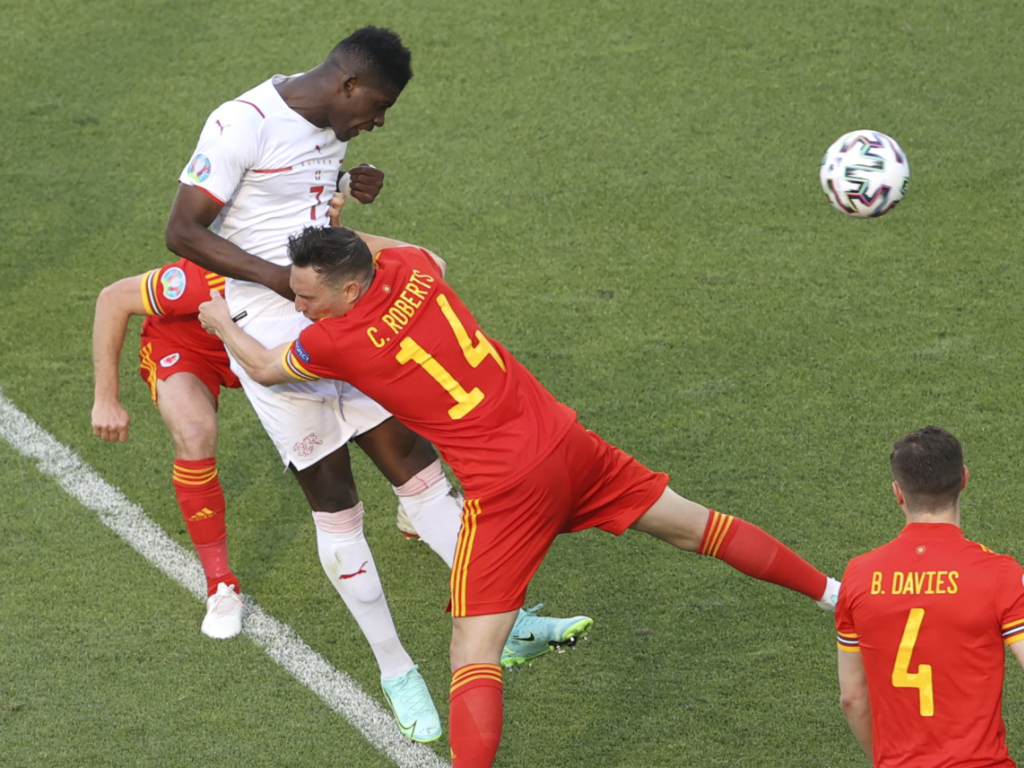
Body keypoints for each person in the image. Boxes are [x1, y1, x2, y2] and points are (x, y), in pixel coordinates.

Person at [196, 225, 842, 767]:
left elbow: (261, 368)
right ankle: (835, 596)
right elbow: (418, 255)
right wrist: (343, 227)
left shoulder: (337, 341)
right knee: (698, 527)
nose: (299, 304)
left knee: (472, 650)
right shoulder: (412, 267)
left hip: (507, 488)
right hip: (568, 444)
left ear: (349, 287)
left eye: (307, 294)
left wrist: (223, 322)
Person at [164, 27, 589, 741]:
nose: (379, 122)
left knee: (417, 469)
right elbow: (182, 229)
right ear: (349, 85)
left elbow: (299, 216)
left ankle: (509, 625)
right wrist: (282, 285)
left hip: (341, 314)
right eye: (379, 106)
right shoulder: (242, 121)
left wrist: (350, 190)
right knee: (336, 503)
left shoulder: (328, 128)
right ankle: (397, 672)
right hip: (270, 332)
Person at [835, 426, 1024, 767]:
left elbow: (852, 698)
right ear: (964, 478)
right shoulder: (1000, 574)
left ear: (898, 492)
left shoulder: (859, 575)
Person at [92, 258, 246, 639]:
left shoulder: (301, 261)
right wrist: (106, 399)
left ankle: (413, 494)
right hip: (188, 349)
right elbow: (113, 299)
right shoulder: (199, 278)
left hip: (260, 350)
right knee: (194, 433)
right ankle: (220, 586)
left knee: (350, 395)